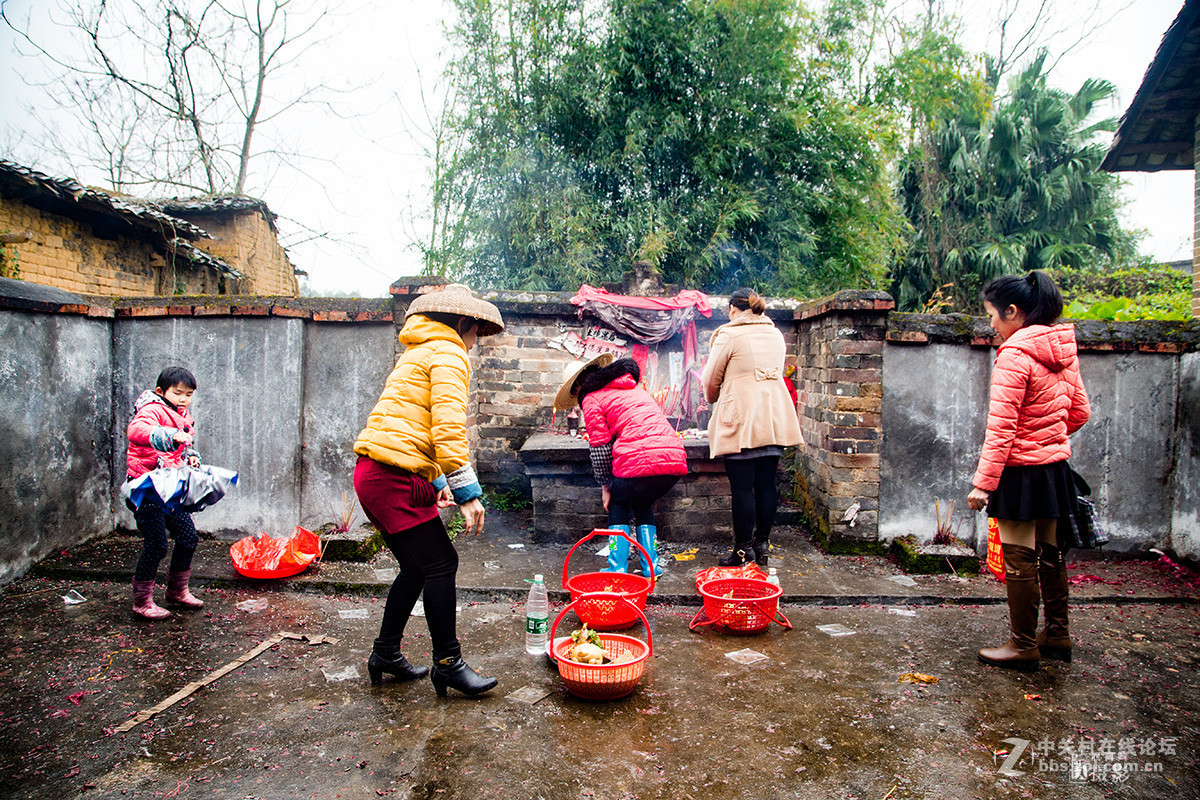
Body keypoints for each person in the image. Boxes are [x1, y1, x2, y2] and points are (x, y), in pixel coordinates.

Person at [353, 284, 502, 697]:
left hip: (374, 473)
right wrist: (467, 492)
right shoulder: (449, 352)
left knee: (417, 567)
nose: (474, 343)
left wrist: (436, 482)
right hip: (393, 477)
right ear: (464, 323)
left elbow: (408, 426)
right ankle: (449, 664)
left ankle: (385, 653)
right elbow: (448, 429)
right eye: (475, 333)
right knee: (441, 564)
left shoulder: (417, 351)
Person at [968, 270, 1090, 671]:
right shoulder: (1061, 349)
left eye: (992, 315)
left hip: (1020, 473)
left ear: (1012, 311)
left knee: (1020, 558)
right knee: (1050, 553)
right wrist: (1047, 438)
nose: (991, 324)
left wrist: (983, 485)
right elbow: (1079, 413)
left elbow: (1001, 429)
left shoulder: (1015, 355)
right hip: (1054, 471)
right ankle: (1056, 634)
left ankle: (1022, 645)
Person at [554, 355, 687, 575]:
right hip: (674, 458)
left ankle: (617, 568)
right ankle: (651, 567)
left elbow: (600, 447)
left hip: (640, 459)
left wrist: (606, 486)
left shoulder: (591, 398)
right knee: (643, 503)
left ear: (578, 387)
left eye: (574, 394)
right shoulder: (633, 389)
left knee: (618, 502)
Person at [701, 288, 802, 567]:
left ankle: (743, 551)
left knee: (743, 488)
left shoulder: (729, 335)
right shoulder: (776, 334)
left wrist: (714, 399)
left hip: (741, 420)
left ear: (733, 309)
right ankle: (762, 546)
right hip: (772, 418)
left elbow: (710, 380)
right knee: (766, 485)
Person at [125, 366, 206, 619]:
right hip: (147, 490)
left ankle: (177, 591)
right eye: (178, 393)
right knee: (157, 545)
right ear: (161, 391)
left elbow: (181, 448)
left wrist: (191, 457)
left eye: (188, 395)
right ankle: (142, 602)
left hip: (170, 489)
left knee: (188, 538)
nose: (184, 399)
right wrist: (170, 435)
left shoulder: (183, 414)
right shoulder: (151, 409)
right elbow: (136, 431)